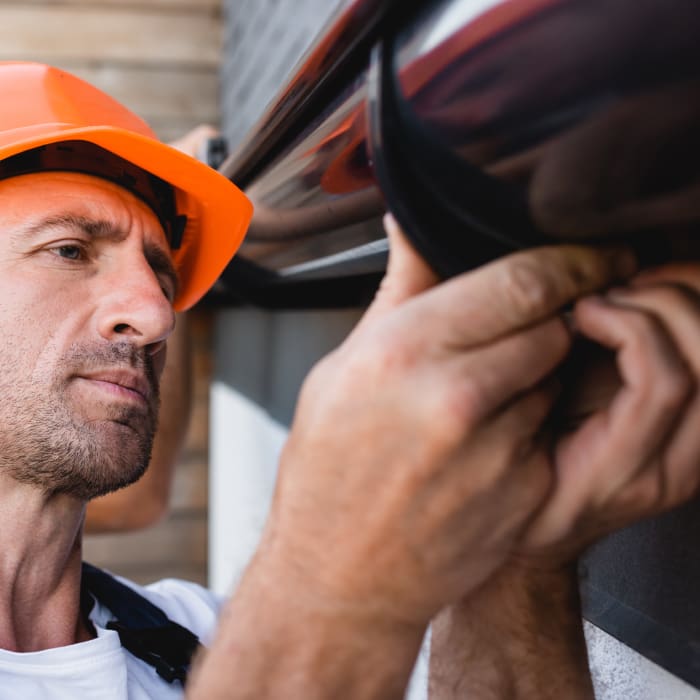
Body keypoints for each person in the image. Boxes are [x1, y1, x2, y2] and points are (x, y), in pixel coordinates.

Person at [1, 60, 699, 700]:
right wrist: (326, 581)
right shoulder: (266, 646)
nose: (158, 314)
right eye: (69, 250)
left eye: (163, 274)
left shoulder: (192, 640)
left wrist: (516, 558)